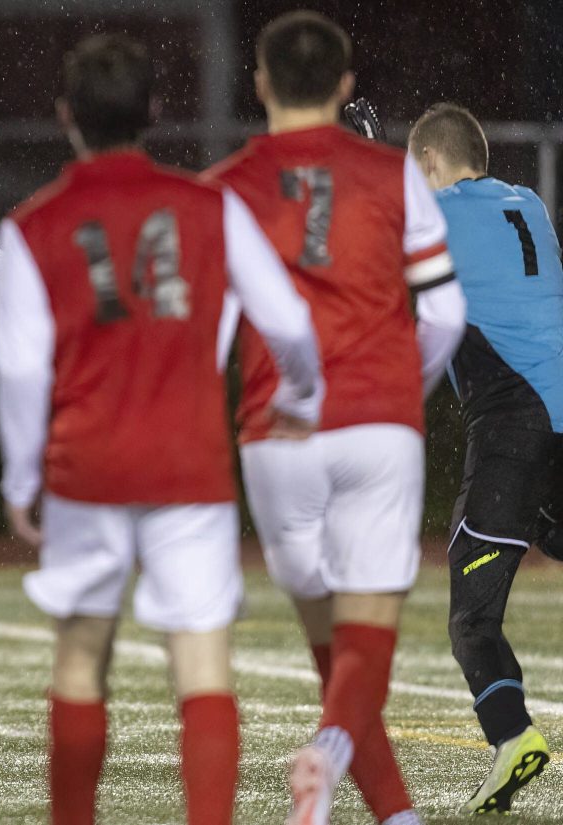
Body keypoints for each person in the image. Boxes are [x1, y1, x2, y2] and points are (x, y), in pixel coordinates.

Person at [0, 33, 323, 825]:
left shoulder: (31, 226)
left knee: (81, 656)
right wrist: (302, 397)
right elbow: (289, 322)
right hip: (190, 466)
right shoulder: (213, 206)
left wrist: (20, 478)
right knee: (201, 664)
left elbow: (21, 370)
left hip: (89, 468)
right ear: (155, 111)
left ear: (66, 115)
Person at [201, 12, 467, 825]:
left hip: (276, 433)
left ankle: (396, 814)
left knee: (335, 650)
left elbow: (208, 337)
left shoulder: (222, 188)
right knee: (367, 647)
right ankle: (330, 755)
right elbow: (447, 313)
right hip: (377, 423)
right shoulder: (396, 177)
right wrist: (399, 396)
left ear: (260, 84)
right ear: (346, 85)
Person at [408, 102, 558, 814]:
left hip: (516, 422)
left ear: (431, 166)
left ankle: (513, 735)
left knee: (471, 616)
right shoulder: (527, 202)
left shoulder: (438, 215)